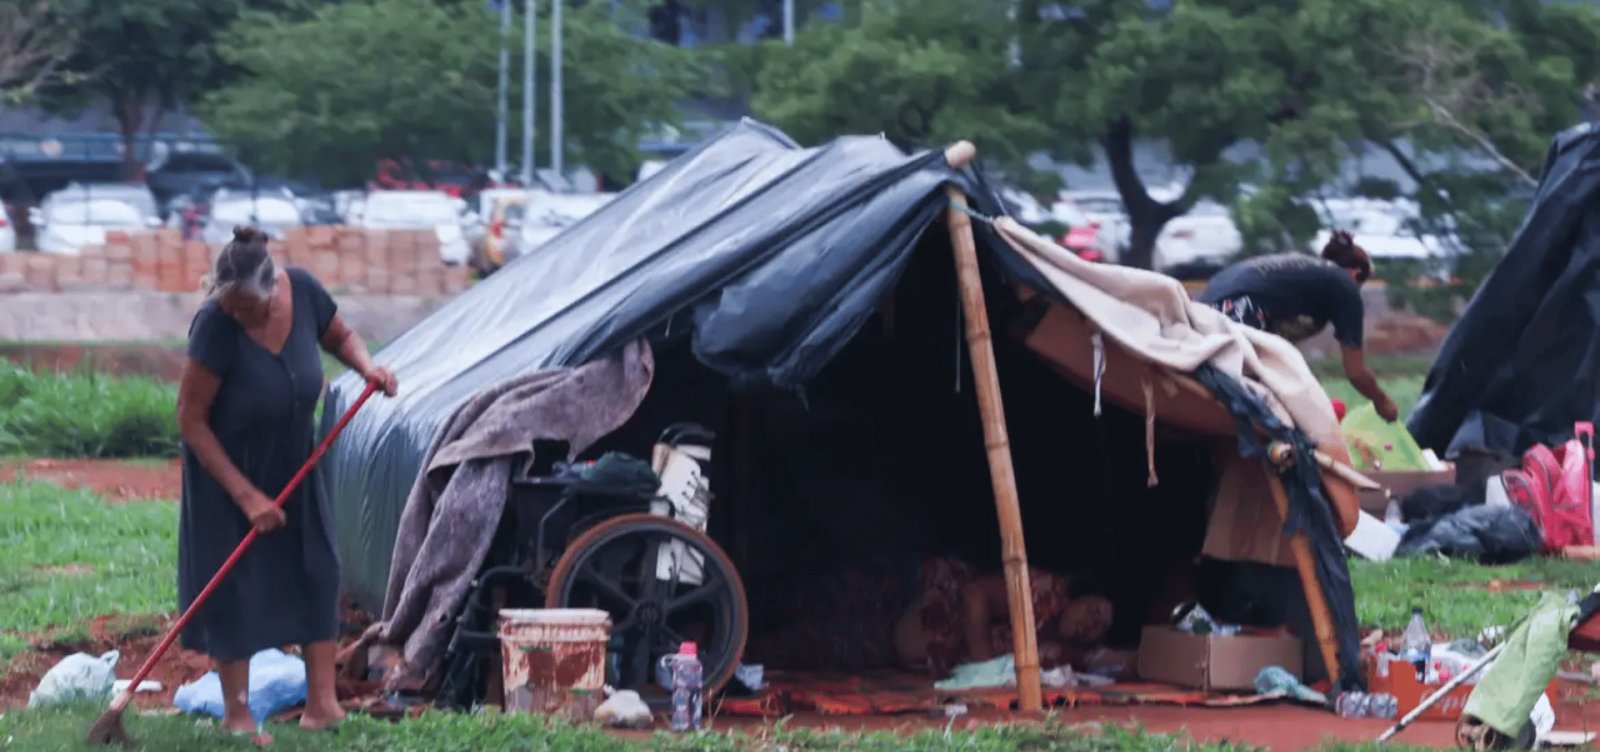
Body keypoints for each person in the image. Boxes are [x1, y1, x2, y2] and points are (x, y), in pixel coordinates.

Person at [175, 226, 398, 737]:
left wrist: (367, 368)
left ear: (274, 290)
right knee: (234, 584)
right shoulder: (215, 325)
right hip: (228, 470)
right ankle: (237, 716)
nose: (238, 316)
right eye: (231, 307)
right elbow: (190, 419)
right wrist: (246, 496)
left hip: (295, 460)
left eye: (247, 308)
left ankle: (323, 706)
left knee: (317, 569)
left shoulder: (305, 291)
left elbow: (340, 336)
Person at [745, 555, 1113, 676]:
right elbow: (974, 596)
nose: (1091, 623)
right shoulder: (1045, 591)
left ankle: (725, 648)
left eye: (1099, 627)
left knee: (803, 647)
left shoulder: (1058, 648)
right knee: (804, 600)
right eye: (1095, 610)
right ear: (1082, 594)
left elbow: (1114, 662)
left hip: (897, 641)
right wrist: (985, 670)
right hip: (908, 593)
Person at [1195, 230, 1399, 422]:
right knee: (1270, 408)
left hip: (1201, 310)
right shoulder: (1344, 285)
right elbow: (1355, 372)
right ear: (1356, 273)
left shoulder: (1304, 272)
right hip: (1238, 313)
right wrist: (1382, 402)